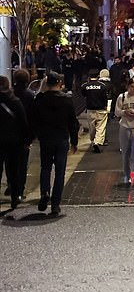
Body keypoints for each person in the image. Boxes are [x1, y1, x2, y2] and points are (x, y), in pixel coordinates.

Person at [30, 72, 79, 216]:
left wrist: (36, 135)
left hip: (45, 138)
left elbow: (33, 119)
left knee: (45, 167)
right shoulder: (66, 100)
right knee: (60, 171)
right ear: (59, 83)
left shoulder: (39, 99)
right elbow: (72, 122)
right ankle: (55, 204)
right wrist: (74, 141)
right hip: (61, 138)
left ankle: (45, 192)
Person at [0, 76, 30, 209]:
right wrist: (26, 139)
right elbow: (23, 122)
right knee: (13, 169)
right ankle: (14, 196)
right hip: (13, 140)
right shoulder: (14, 101)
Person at [81, 69, 109, 153]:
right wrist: (105, 106)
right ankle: (97, 142)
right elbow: (105, 97)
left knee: (92, 127)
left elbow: (83, 94)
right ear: (98, 76)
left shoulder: (85, 86)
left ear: (89, 76)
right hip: (101, 109)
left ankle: (93, 140)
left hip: (90, 109)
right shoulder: (102, 86)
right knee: (100, 127)